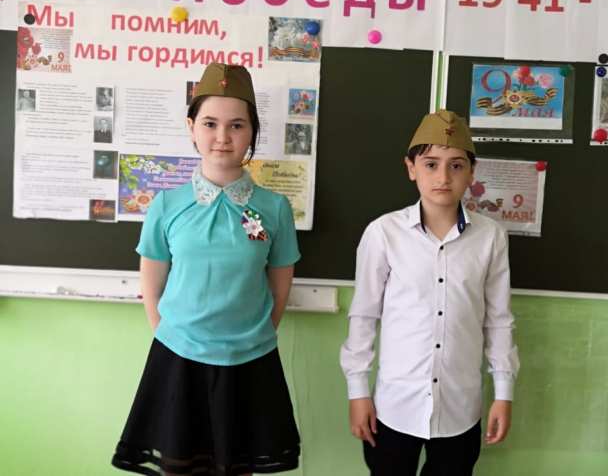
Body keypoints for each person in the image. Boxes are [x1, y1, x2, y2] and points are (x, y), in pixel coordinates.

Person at [112, 63, 302, 475]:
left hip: (250, 360)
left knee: (238, 466)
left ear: (252, 131)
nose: (222, 137)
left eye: (237, 125)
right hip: (178, 359)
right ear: (192, 127)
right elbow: (152, 282)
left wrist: (255, 334)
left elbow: (280, 286)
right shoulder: (166, 205)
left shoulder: (275, 208)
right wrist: (171, 335)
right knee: (180, 466)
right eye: (210, 123)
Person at [340, 110, 520, 476]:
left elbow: (498, 320)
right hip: (395, 406)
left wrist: (504, 392)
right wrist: (357, 391)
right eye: (431, 164)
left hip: (460, 408)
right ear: (411, 168)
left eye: (456, 166)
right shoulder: (383, 233)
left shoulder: (491, 237)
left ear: (472, 172)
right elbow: (364, 315)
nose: (443, 177)